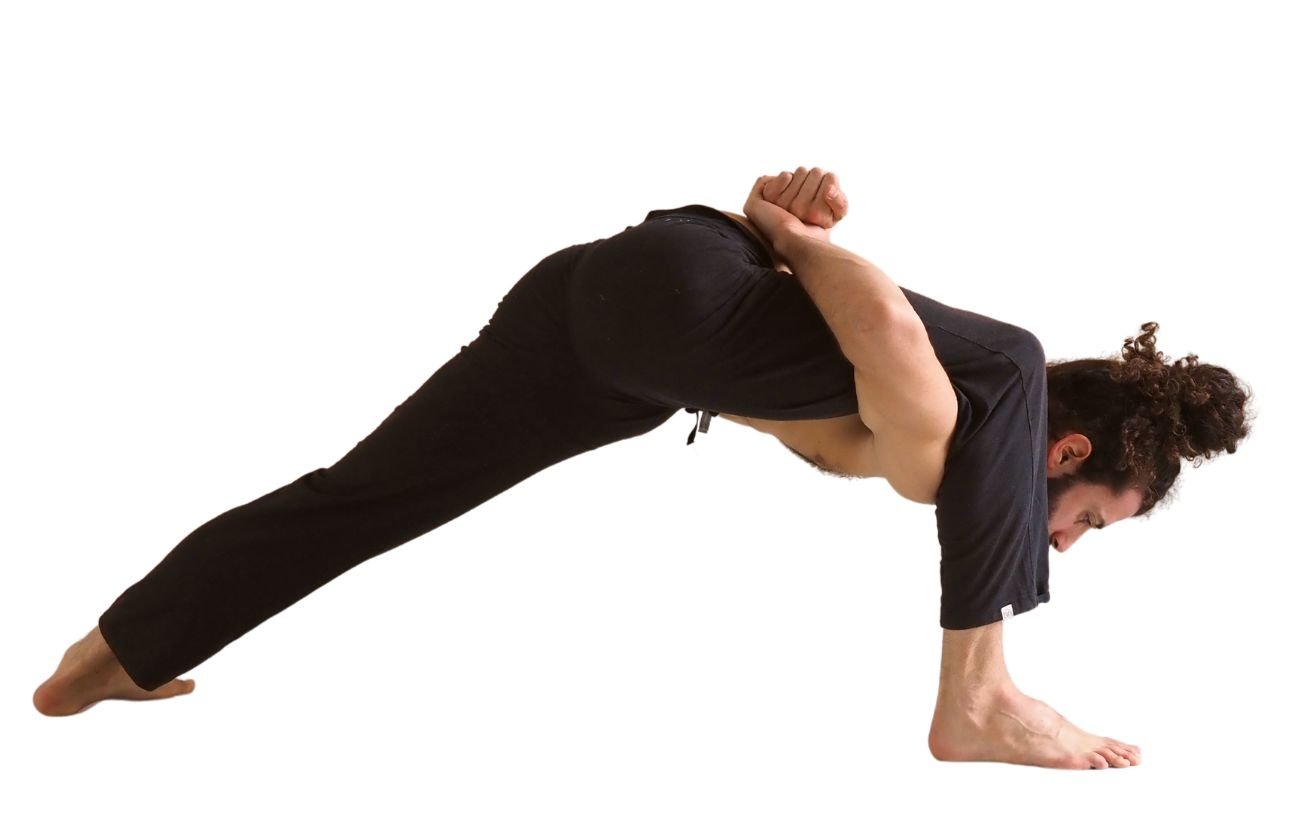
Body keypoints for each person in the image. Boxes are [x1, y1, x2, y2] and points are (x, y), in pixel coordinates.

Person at [33, 168, 1253, 771]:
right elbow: (882, 323)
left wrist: (782, 241)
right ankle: (978, 696)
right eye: (1087, 518)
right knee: (1003, 372)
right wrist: (785, 230)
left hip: (600, 327)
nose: (1061, 544)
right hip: (679, 287)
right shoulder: (979, 402)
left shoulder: (926, 436)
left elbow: (849, 345)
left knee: (368, 497)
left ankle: (112, 656)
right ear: (1067, 449)